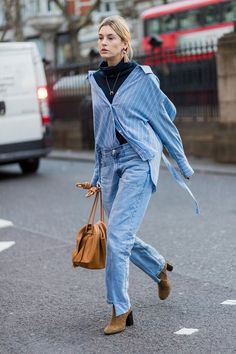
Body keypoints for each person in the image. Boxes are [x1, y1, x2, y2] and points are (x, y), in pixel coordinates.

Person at [77, 15, 197, 335]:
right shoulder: (95, 80)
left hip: (139, 160)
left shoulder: (142, 78)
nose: (104, 42)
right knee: (120, 232)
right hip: (111, 163)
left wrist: (182, 164)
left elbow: (163, 122)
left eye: (111, 38)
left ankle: (120, 308)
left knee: (116, 237)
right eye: (101, 37)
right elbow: (100, 132)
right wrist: (97, 176)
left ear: (125, 43)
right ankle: (158, 267)